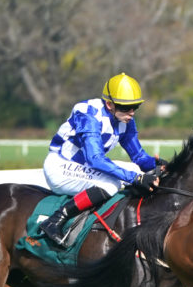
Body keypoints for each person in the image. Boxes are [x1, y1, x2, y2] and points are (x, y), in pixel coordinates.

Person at [40, 72, 162, 246]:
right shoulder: (88, 114)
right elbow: (95, 159)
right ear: (109, 104)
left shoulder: (125, 119)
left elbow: (138, 157)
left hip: (84, 168)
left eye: (135, 107)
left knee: (134, 171)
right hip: (61, 167)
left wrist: (158, 164)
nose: (132, 113)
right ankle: (56, 219)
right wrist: (135, 178)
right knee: (111, 184)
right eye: (126, 107)